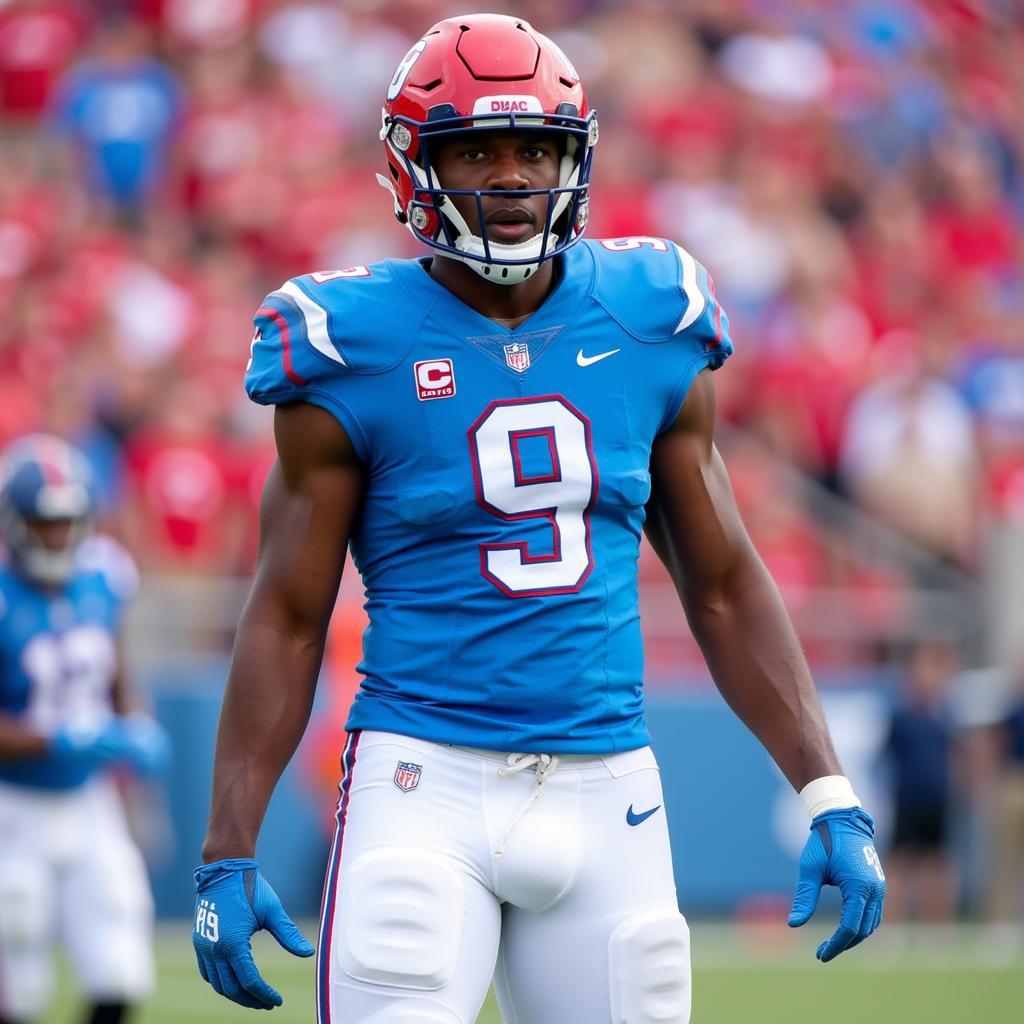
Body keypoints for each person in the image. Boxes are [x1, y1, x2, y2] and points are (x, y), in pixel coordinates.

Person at [193, 14, 886, 1023]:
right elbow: (289, 612)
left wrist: (824, 787)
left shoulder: (652, 313)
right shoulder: (349, 342)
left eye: (537, 148)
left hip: (611, 787)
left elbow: (725, 581)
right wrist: (227, 843)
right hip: (422, 781)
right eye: (476, 149)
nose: (512, 176)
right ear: (411, 163)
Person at [0, 434, 169, 1024]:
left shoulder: (104, 575)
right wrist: (54, 737)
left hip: (89, 799)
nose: (58, 536)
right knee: (19, 972)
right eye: (45, 523)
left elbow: (120, 672)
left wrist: (137, 724)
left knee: (119, 963)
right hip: (13, 805)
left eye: (68, 521)